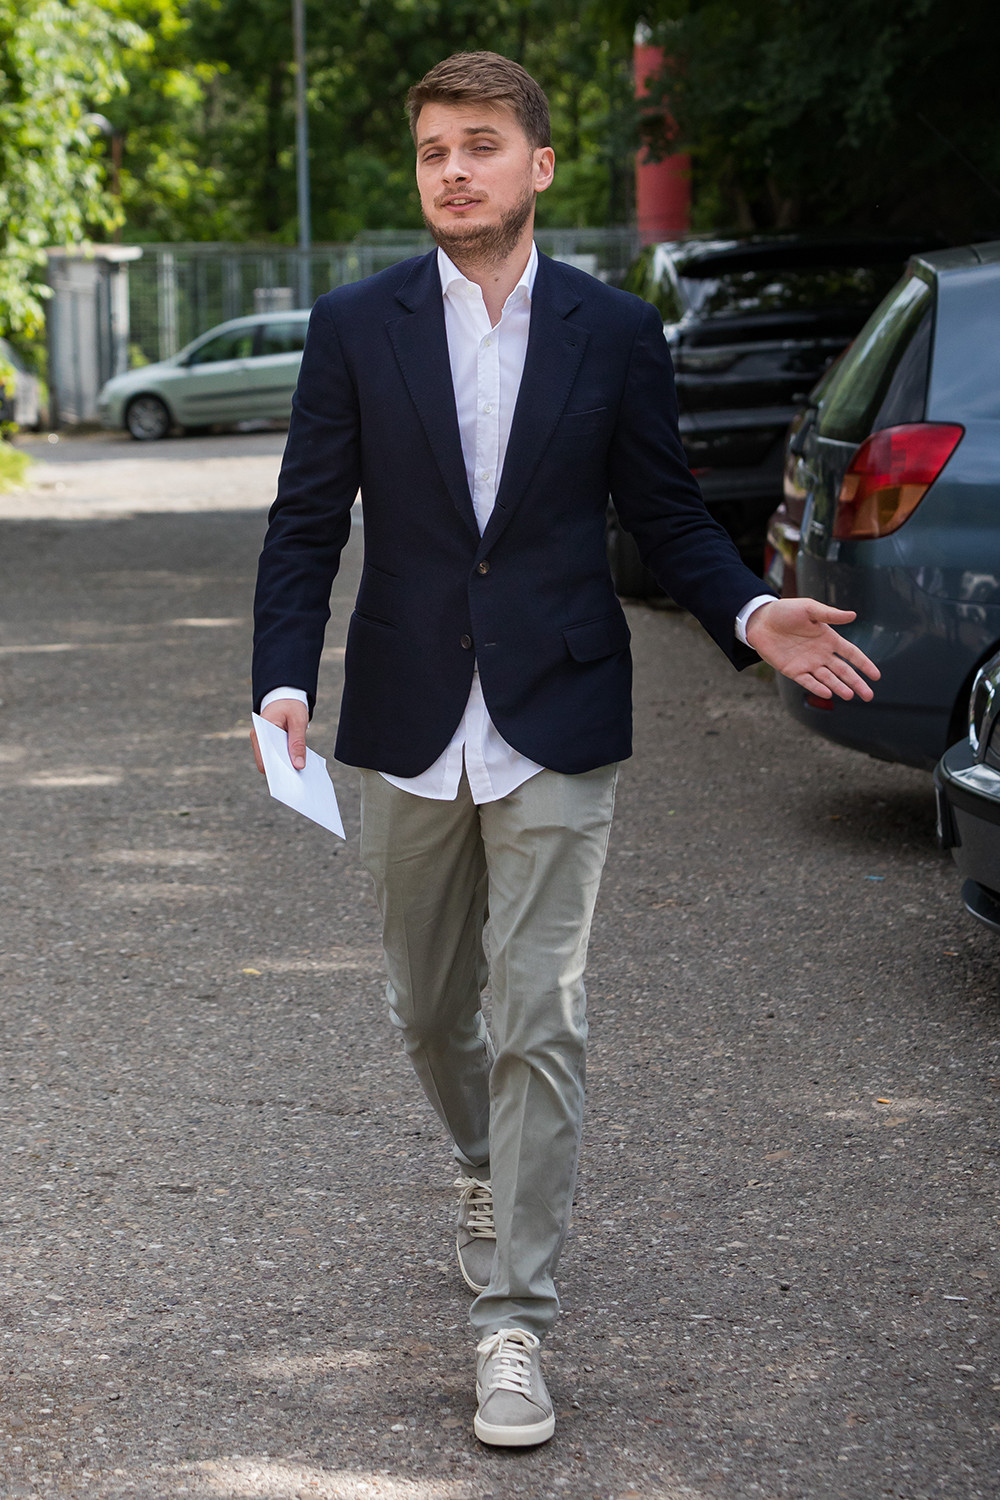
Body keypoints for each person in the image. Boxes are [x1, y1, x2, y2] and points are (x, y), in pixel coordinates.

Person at [251, 50, 878, 1448]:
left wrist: (750, 609)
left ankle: (513, 1324)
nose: (453, 170)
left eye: (479, 145)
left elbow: (663, 513)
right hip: (410, 712)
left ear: (537, 166)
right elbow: (305, 522)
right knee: (430, 1011)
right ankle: (488, 1160)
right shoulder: (356, 326)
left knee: (541, 1011)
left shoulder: (613, 330)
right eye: (433, 150)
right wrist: (281, 680)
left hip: (560, 716)